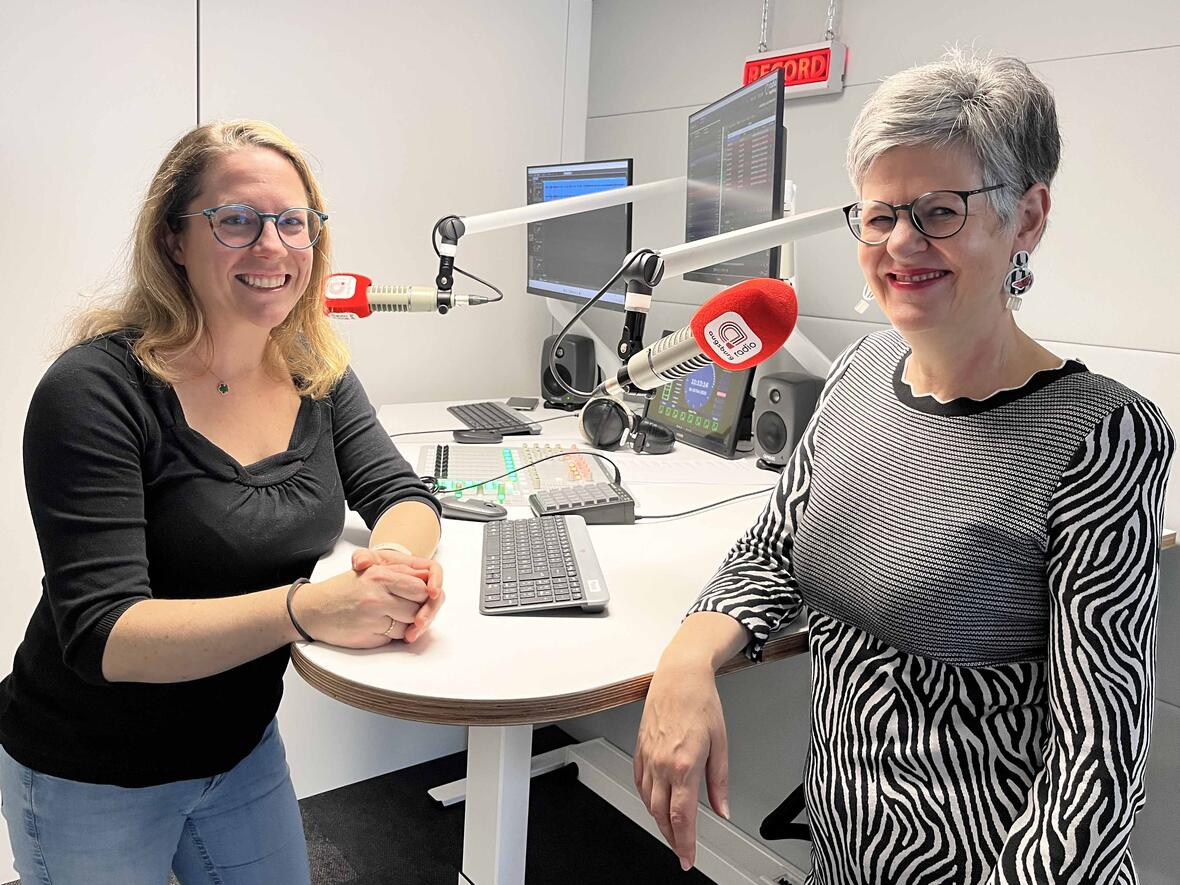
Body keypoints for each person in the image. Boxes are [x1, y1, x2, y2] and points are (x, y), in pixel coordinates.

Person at [635, 52, 1174, 884]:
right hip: (842, 858)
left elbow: (1093, 770)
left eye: (940, 211)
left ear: (1027, 218)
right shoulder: (860, 370)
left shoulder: (1100, 436)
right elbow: (776, 547)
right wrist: (685, 659)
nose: (901, 243)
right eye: (880, 214)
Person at [0, 120, 445, 884]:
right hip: (93, 769)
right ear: (174, 238)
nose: (272, 246)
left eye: (293, 221)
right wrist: (308, 607)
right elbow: (108, 635)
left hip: (238, 748)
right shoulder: (94, 391)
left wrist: (391, 568)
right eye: (237, 219)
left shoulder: (315, 369)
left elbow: (401, 492)